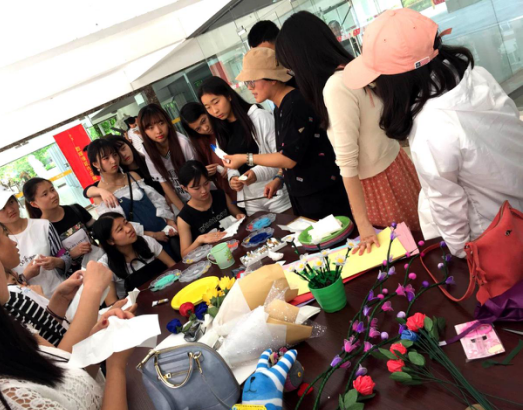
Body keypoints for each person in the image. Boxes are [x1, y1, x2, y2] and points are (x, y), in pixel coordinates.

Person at [342, 8, 523, 258]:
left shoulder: (431, 129)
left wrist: (463, 255)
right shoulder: (475, 76)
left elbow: (448, 208)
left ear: (395, 82)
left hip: (494, 239)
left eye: (377, 81)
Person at [276, 11, 421, 255]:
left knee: (405, 255)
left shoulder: (335, 87)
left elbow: (347, 161)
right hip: (397, 169)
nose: (295, 76)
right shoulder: (354, 68)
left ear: (303, 61)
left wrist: (362, 224)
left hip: (378, 186)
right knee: (423, 244)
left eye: (292, 69)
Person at [0, 212, 134, 410]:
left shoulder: (1, 332)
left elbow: (67, 375)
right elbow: (66, 356)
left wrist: (96, 336)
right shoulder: (2, 396)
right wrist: (115, 364)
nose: (13, 241)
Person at [224, 47, 352, 220]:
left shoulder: (295, 104)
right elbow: (292, 152)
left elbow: (288, 158)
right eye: (247, 83)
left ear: (272, 79)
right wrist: (279, 178)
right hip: (303, 193)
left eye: (252, 81)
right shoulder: (280, 107)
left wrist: (245, 158)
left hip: (322, 192)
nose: (250, 88)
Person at [0, 212, 122, 352]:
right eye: (6, 235)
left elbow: (49, 330)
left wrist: (61, 297)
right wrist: (92, 292)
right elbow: (63, 357)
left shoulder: (10, 294)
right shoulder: (7, 300)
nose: (14, 242)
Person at [198, 76, 292, 216]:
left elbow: (282, 158)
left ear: (228, 95)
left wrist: (256, 173)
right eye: (208, 108)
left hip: (275, 190)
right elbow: (230, 164)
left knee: (289, 227)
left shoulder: (259, 117)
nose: (214, 111)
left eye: (216, 102)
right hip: (250, 198)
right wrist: (233, 179)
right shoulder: (221, 131)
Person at [86, 138, 180, 260]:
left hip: (167, 231)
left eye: (114, 155)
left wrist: (169, 221)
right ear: (95, 164)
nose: (113, 160)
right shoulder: (100, 196)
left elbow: (157, 200)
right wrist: (153, 235)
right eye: (106, 158)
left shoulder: (133, 176)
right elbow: (117, 226)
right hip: (143, 243)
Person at [0, 183, 71, 297]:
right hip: (32, 302)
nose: (10, 209)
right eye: (2, 208)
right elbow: (3, 288)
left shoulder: (43, 225)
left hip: (63, 292)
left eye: (11, 202)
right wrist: (25, 276)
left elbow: (64, 256)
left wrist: (56, 262)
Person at [95, 212, 176, 304]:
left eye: (126, 223)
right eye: (120, 229)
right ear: (110, 241)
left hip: (167, 290)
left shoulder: (146, 241)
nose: (129, 229)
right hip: (137, 306)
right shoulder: (105, 266)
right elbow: (112, 304)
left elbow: (172, 265)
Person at [24, 177, 98, 272]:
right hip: (77, 276)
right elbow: (50, 263)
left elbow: (98, 231)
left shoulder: (75, 209)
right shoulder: (41, 230)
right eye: (45, 194)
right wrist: (71, 254)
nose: (53, 195)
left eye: (52, 189)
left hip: (100, 261)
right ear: (34, 204)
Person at [177, 161, 246, 257]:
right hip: (215, 257)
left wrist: (240, 217)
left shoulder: (220, 195)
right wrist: (200, 240)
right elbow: (184, 255)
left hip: (236, 245)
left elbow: (239, 216)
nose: (203, 191)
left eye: (206, 183)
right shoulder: (184, 217)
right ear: (184, 188)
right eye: (196, 188)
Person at [137, 103, 197, 211]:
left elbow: (197, 174)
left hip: (199, 195)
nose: (158, 131)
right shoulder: (148, 151)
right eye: (150, 127)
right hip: (181, 199)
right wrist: (184, 212)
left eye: (161, 123)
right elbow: (164, 183)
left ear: (168, 123)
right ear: (144, 132)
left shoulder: (182, 142)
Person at [83, 134, 165, 206]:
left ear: (129, 143)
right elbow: (88, 190)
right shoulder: (126, 175)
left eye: (123, 148)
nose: (123, 154)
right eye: (117, 154)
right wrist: (100, 191)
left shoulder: (148, 161)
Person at [180, 102, 236, 201]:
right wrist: (204, 172)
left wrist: (233, 167)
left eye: (203, 121)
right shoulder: (200, 144)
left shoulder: (229, 127)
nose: (205, 128)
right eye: (198, 129)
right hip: (228, 194)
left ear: (207, 112)